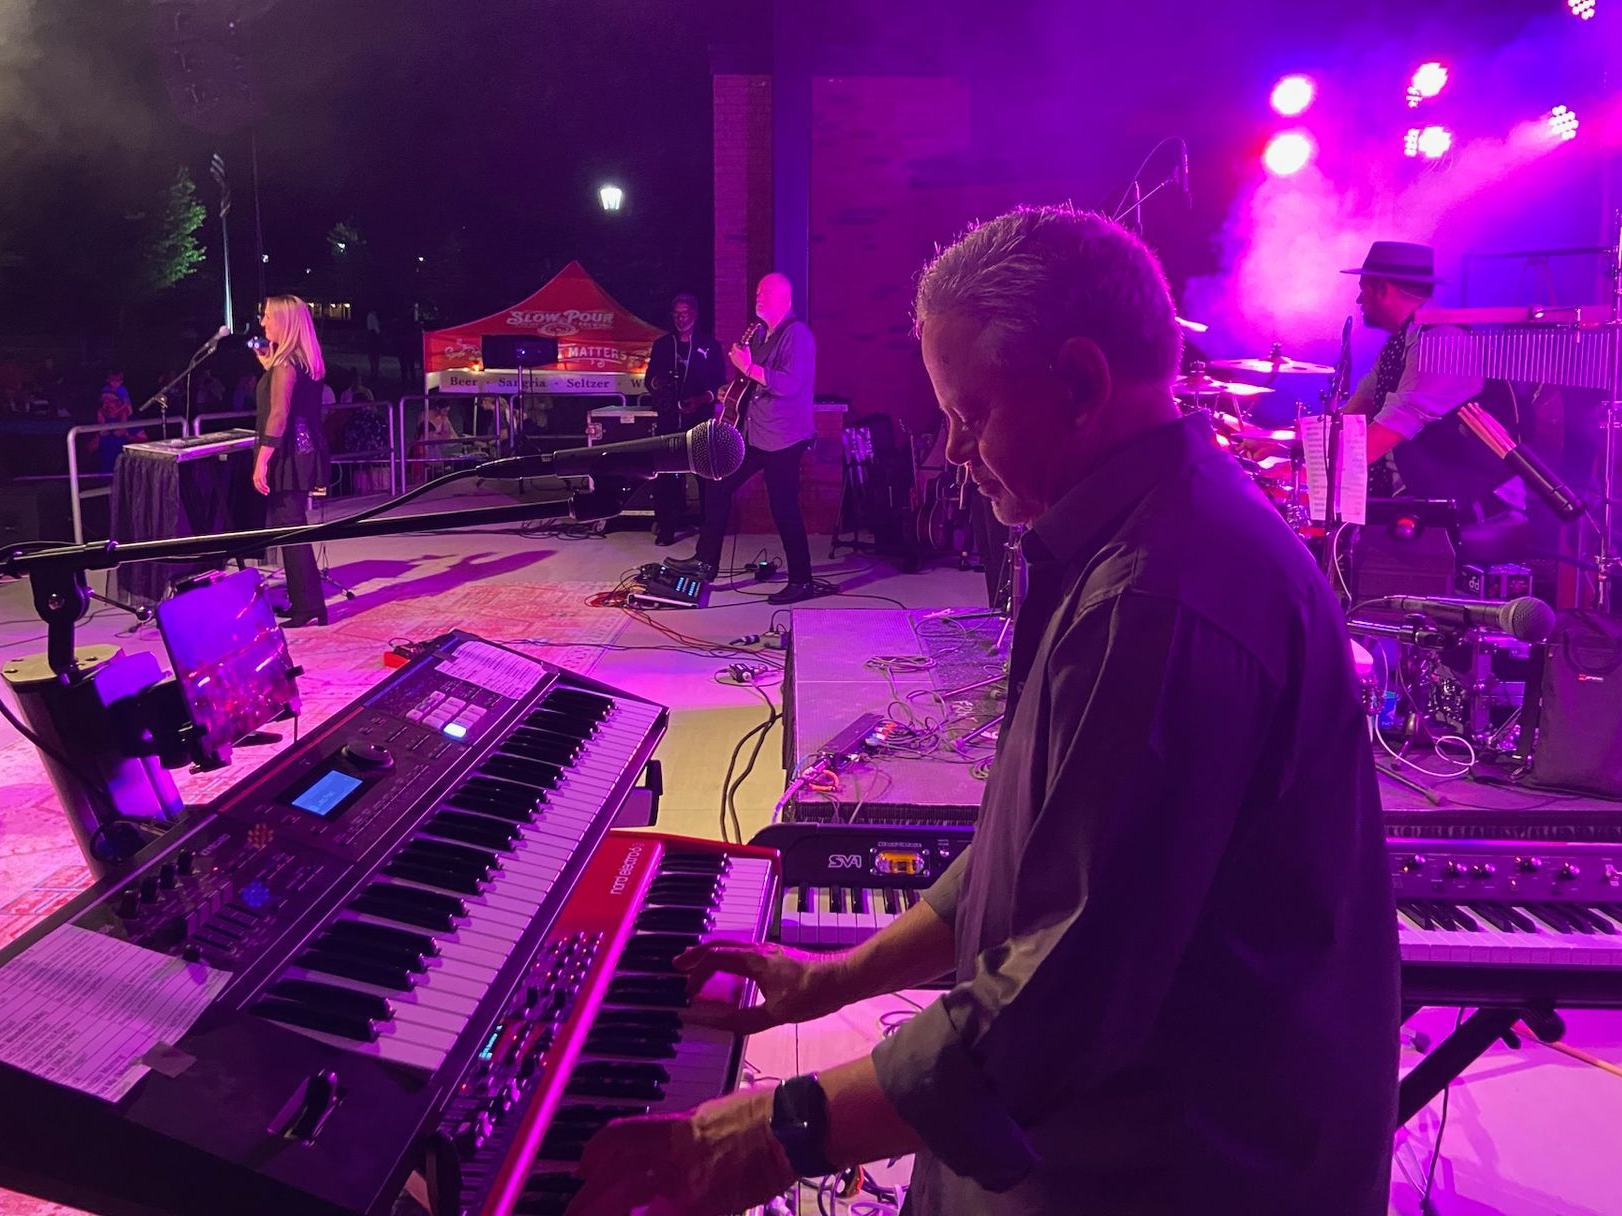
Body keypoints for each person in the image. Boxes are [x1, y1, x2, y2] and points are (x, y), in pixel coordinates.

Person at [566, 207, 1399, 1216]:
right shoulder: (1126, 535)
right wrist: (831, 981)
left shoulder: (1159, 599)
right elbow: (1031, 856)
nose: (953, 450)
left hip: (1174, 1170)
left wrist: (776, 1135)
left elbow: (1062, 995)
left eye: (971, 414)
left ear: (1084, 386)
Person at [669, 273, 817, 604]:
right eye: (757, 293)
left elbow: (791, 385)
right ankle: (706, 562)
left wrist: (748, 369)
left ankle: (802, 580)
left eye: (765, 293)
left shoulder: (798, 335)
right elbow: (755, 384)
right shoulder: (763, 334)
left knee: (783, 508)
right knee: (717, 483)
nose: (758, 298)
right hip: (755, 434)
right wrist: (734, 390)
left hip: (784, 438)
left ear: (785, 298)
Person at [1340, 241, 1518, 514]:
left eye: (1363, 289)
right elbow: (1356, 414)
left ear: (1383, 289)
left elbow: (1386, 433)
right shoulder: (1402, 342)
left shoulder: (1443, 342)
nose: (1358, 301)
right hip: (1418, 494)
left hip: (1465, 505)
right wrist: (1287, 445)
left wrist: (1313, 474)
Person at [253, 295, 329, 628]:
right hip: (305, 449)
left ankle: (308, 605)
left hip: (289, 453)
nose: (263, 323)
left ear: (283, 321)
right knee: (292, 527)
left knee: (290, 528)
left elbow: (280, 414)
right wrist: (267, 366)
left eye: (268, 317)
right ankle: (307, 602)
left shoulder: (286, 364)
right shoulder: (301, 360)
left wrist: (262, 459)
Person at [644, 291, 726, 546]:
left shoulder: (710, 346)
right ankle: (667, 527)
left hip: (699, 419)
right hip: (669, 420)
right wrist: (659, 385)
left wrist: (701, 400)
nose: (681, 319)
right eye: (677, 314)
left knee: (703, 474)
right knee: (666, 475)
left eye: (685, 314)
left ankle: (708, 527)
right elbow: (649, 379)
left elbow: (720, 386)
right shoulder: (663, 345)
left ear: (695, 315)